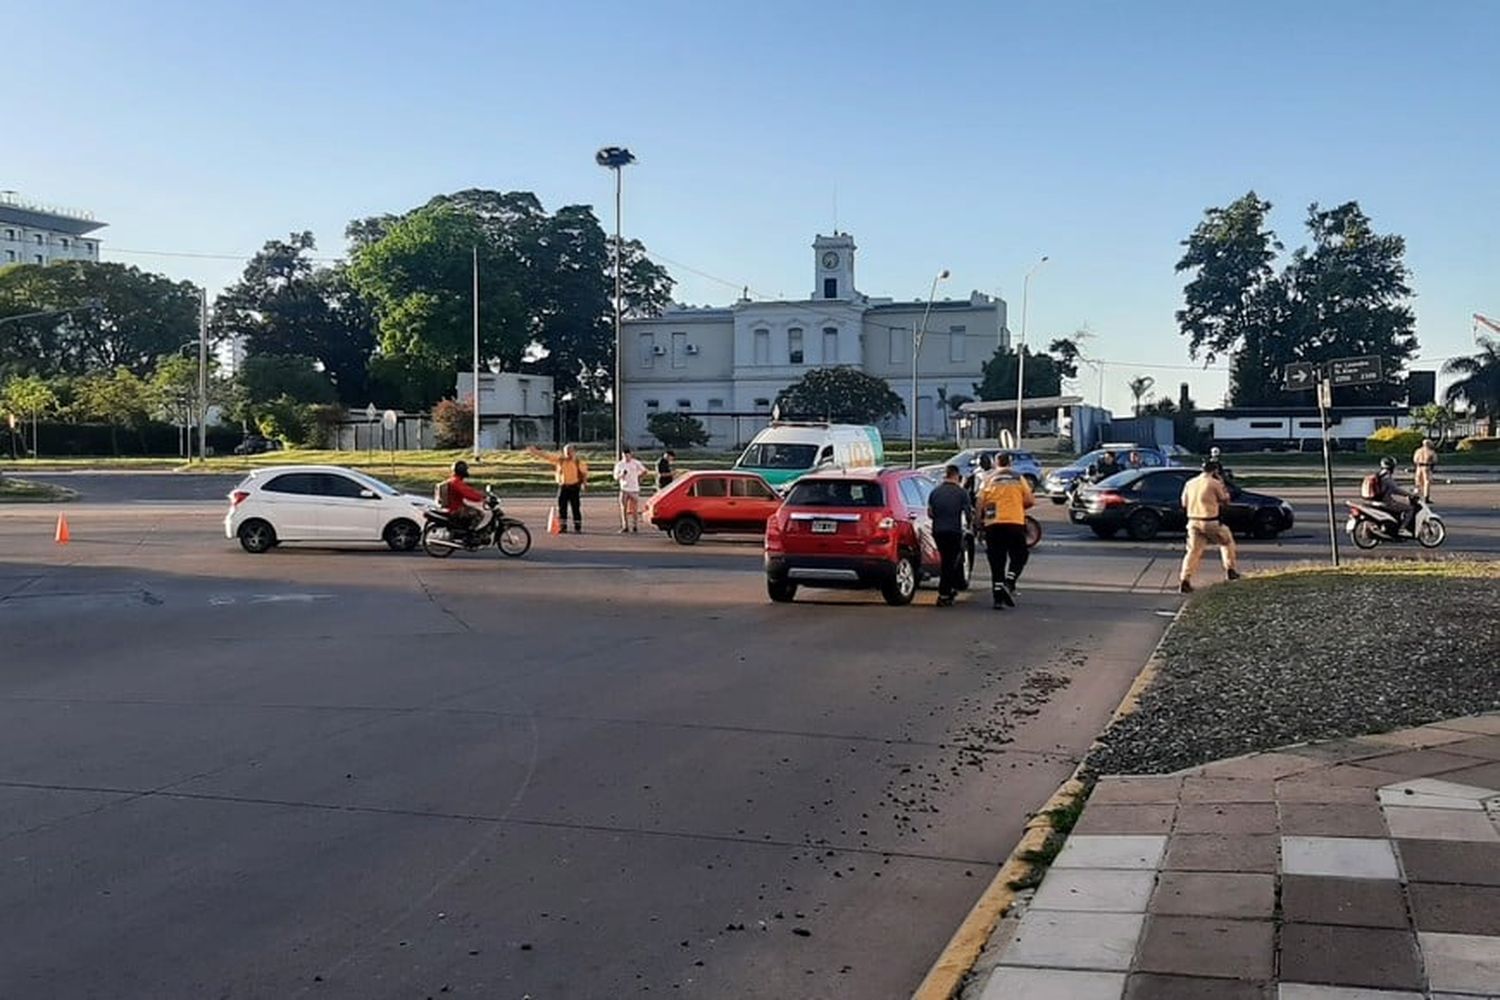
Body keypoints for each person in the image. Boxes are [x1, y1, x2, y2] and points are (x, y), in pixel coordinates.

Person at [976, 452, 1035, 608]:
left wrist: (978, 524)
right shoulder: (1018, 478)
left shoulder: (987, 480)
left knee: (996, 561)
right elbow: (1029, 501)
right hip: (1014, 523)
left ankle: (998, 599)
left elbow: (980, 502)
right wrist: (1017, 504)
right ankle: (1009, 582)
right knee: (1020, 555)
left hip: (993, 524)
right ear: (1010, 463)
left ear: (996, 463)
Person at [1179, 459, 1239, 594]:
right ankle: (1230, 570)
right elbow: (1225, 500)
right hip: (1210, 520)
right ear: (1215, 471)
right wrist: (1222, 484)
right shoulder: (1214, 483)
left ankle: (1185, 579)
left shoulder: (1190, 483)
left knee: (1193, 552)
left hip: (1193, 521)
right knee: (1227, 541)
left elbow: (1184, 503)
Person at [927, 464, 972, 607]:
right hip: (954, 530)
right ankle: (944, 593)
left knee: (947, 560)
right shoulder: (961, 493)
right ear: (957, 476)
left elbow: (930, 513)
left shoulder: (935, 492)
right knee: (950, 561)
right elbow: (968, 514)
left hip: (938, 531)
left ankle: (949, 589)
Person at [526, 444, 589, 533]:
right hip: (563, 487)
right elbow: (547, 456)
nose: (567, 454)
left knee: (576, 507)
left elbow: (584, 474)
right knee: (562, 507)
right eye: (566, 452)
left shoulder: (578, 462)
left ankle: (577, 527)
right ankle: (563, 527)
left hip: (574, 487)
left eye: (569, 451)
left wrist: (584, 484)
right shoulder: (560, 461)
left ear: (574, 452)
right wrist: (535, 452)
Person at [1366, 455, 1417, 535]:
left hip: (1375, 502)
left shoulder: (1378, 475)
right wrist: (1409, 494)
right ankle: (1402, 529)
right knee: (1410, 509)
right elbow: (1396, 490)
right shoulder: (1387, 477)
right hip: (1386, 503)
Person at [440, 460, 486, 534]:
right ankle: (469, 534)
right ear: (461, 471)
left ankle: (464, 529)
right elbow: (468, 494)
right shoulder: (456, 482)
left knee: (470, 510)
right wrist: (481, 498)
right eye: (465, 469)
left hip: (454, 507)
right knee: (479, 514)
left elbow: (468, 490)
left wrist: (479, 494)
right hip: (456, 509)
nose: (467, 471)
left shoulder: (454, 480)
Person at [613, 446, 648, 533]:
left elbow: (645, 471)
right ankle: (625, 526)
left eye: (628, 455)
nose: (626, 457)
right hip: (624, 488)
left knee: (634, 509)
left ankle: (635, 525)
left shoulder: (636, 463)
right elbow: (615, 477)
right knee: (623, 508)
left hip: (634, 489)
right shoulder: (620, 464)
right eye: (624, 455)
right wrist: (622, 475)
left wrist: (640, 479)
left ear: (631, 454)